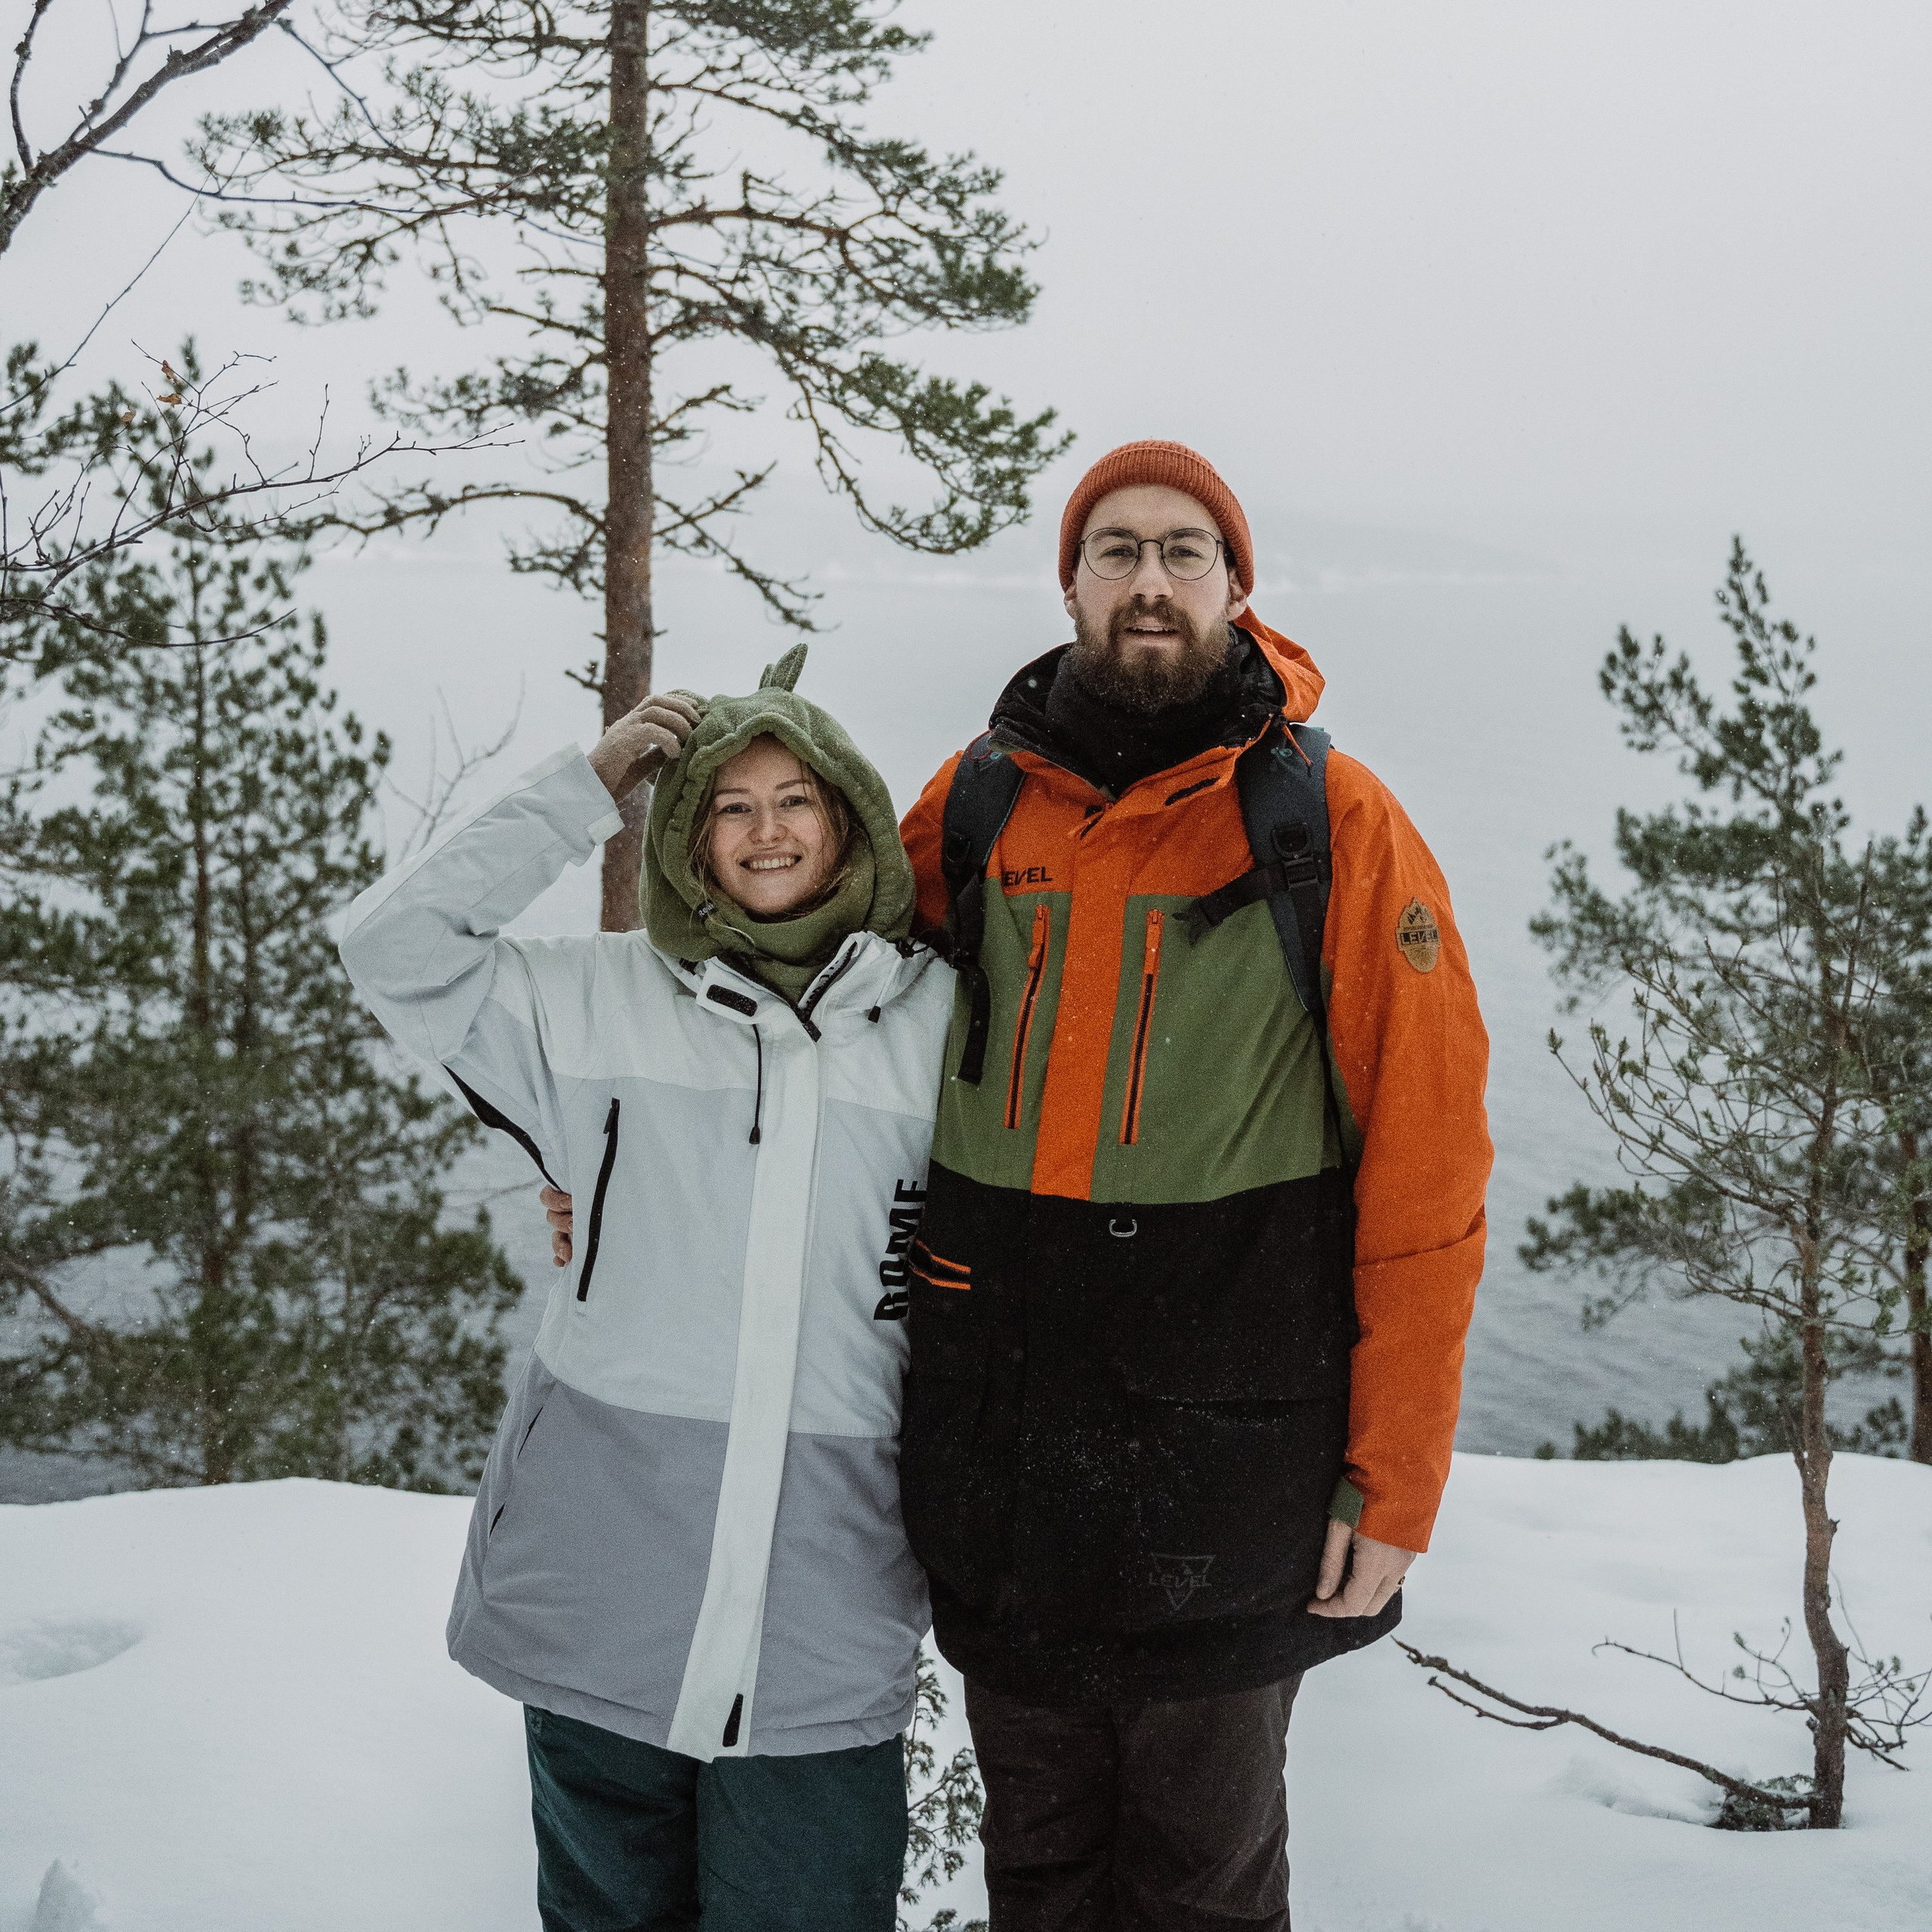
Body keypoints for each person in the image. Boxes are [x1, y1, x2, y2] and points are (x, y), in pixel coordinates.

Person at [546, 440, 1493, 1930]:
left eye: (1183, 551)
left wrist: (1393, 1479)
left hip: (1230, 1465)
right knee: (1037, 1870)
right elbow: (804, 1011)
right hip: (1007, 1460)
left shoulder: (1330, 824)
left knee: (1202, 1880)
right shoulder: (976, 804)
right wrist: (606, 1170)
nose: (1148, 580)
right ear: (1067, 583)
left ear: (1237, 588)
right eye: (1114, 550)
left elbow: (1428, 1177)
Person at [337, 646, 955, 1932]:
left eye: (797, 799)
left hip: (824, 1621)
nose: (766, 830)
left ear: (846, 821)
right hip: (604, 1598)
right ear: (687, 832)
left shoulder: (945, 1023)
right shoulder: (597, 1004)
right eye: (730, 804)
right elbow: (398, 950)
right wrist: (589, 785)